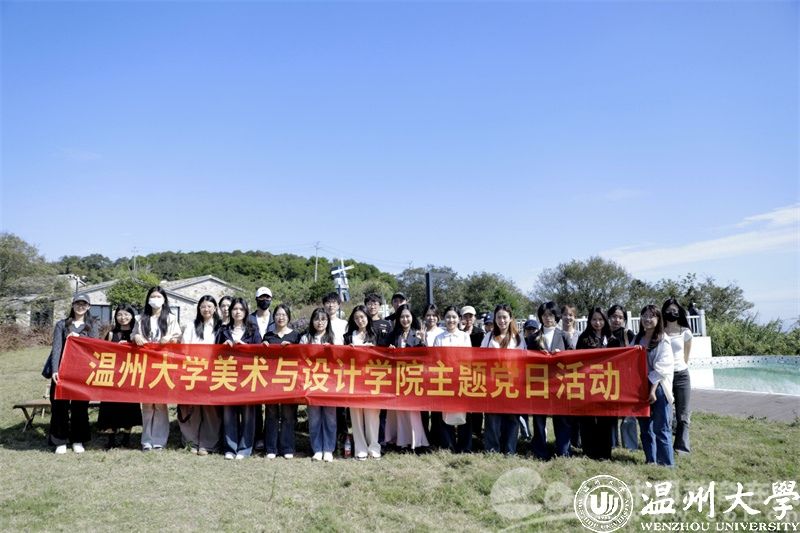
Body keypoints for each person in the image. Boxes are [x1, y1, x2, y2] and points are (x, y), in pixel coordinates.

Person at [132, 286, 182, 451]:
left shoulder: (171, 318)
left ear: (164, 300)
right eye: (152, 296)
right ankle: (146, 440)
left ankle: (159, 440)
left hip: (163, 364)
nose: (155, 299)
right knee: (147, 404)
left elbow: (178, 338)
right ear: (148, 299)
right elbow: (133, 334)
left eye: (159, 297)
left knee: (160, 404)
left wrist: (170, 338)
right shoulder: (141, 318)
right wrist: (136, 336)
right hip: (145, 364)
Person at [49, 293, 100, 454]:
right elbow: (56, 348)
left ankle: (78, 440)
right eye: (78, 303)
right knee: (59, 406)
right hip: (63, 370)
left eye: (84, 304)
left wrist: (80, 338)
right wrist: (55, 370)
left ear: (88, 307)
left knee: (80, 407)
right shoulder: (62, 324)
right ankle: (60, 440)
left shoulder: (92, 325)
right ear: (72, 305)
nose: (80, 306)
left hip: (82, 371)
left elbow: (95, 346)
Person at [526, 301, 574, 460]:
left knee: (562, 419)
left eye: (551, 315)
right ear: (540, 317)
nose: (548, 318)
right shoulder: (533, 337)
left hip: (559, 383)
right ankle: (540, 451)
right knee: (539, 419)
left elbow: (574, 358)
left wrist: (562, 355)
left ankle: (563, 451)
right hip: (539, 383)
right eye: (545, 315)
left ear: (556, 317)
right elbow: (526, 360)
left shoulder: (564, 335)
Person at [216, 297, 263, 459]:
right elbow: (214, 353)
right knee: (229, 413)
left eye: (241, 309)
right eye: (235, 309)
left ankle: (244, 448)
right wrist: (223, 347)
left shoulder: (253, 330)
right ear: (230, 311)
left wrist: (247, 348)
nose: (237, 312)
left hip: (247, 377)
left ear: (246, 312)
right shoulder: (223, 330)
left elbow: (261, 353)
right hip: (228, 376)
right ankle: (230, 448)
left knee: (248, 414)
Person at [179, 295, 223, 456]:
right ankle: (192, 441)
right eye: (203, 306)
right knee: (193, 408)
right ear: (199, 308)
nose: (206, 309)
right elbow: (184, 348)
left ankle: (208, 444)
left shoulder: (221, 327)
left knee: (211, 409)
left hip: (214, 372)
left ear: (215, 308)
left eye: (210, 306)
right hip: (194, 370)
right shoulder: (192, 325)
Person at [481, 304, 526, 455]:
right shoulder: (488, 337)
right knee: (492, 417)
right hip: (493, 383)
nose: (502, 320)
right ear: (495, 319)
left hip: (513, 384)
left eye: (505, 317)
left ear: (511, 318)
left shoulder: (518, 338)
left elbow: (525, 360)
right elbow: (480, 358)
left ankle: (510, 449)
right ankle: (492, 449)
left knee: (512, 418)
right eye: (499, 317)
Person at [384, 304, 429, 452]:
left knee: (412, 411)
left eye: (407, 316)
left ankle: (416, 441)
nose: (405, 319)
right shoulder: (392, 335)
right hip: (396, 378)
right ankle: (401, 441)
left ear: (412, 317)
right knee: (398, 411)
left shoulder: (418, 334)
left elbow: (426, 356)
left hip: (413, 378)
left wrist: (423, 341)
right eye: (402, 317)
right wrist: (389, 352)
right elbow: (383, 356)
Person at [634, 305, 675, 467]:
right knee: (645, 428)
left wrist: (652, 390)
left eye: (651, 316)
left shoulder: (663, 339)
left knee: (661, 428)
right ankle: (651, 459)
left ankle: (666, 464)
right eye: (644, 315)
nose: (647, 319)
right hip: (640, 388)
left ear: (658, 319)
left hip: (658, 388)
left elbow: (662, 368)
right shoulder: (637, 338)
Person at [97, 304, 142, 449]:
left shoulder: (137, 334)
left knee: (129, 406)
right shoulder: (111, 334)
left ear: (132, 316)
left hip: (131, 375)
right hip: (113, 375)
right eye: (119, 315)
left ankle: (126, 438)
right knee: (110, 406)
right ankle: (111, 439)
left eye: (126, 314)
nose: (123, 318)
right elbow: (103, 353)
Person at [575, 307, 616, 460]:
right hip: (588, 384)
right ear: (589, 321)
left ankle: (604, 452)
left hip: (607, 383)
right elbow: (578, 360)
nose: (597, 323)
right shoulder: (584, 338)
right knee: (587, 418)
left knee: (605, 418)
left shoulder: (612, 339)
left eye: (600, 319)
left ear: (605, 320)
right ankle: (589, 451)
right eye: (594, 319)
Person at [262, 304, 301, 459]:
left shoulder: (295, 336)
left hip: (289, 380)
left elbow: (301, 357)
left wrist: (292, 348)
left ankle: (287, 448)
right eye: (278, 314)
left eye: (284, 314)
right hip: (271, 380)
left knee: (288, 415)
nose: (281, 317)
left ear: (289, 317)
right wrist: (263, 347)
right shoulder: (268, 336)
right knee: (271, 414)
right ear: (274, 317)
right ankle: (271, 448)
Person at [300, 307, 339, 462]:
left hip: (330, 383)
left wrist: (332, 350)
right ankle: (317, 449)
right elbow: (300, 359)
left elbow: (340, 360)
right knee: (314, 417)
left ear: (328, 321)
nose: (320, 322)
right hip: (311, 383)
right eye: (317, 319)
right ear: (312, 321)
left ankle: (328, 449)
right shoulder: (306, 338)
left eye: (323, 319)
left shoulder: (334, 338)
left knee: (330, 417)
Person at [433, 306, 473, 453]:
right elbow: (436, 359)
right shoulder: (439, 338)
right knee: (445, 413)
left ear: (459, 319)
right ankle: (448, 445)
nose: (451, 320)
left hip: (461, 379)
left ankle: (465, 446)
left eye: (454, 317)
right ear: (444, 319)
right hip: (445, 380)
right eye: (448, 317)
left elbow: (468, 358)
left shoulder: (464, 337)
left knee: (464, 413)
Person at [343, 305, 382, 459]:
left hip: (372, 379)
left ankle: (374, 447)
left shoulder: (376, 334)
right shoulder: (348, 337)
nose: (360, 320)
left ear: (368, 317)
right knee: (356, 415)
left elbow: (384, 355)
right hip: (354, 379)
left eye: (362, 317)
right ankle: (360, 448)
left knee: (372, 415)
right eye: (357, 318)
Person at [662, 297, 693, 454]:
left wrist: (679, 368)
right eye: (668, 310)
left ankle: (681, 448)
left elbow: (686, 357)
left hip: (681, 375)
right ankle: (665, 444)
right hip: (664, 376)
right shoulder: (660, 332)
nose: (671, 313)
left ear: (679, 312)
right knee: (664, 413)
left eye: (674, 310)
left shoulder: (685, 332)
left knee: (683, 414)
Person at [608, 304, 638, 450]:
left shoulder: (629, 335)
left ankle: (630, 446)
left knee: (628, 413)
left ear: (624, 320)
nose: (617, 320)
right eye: (614, 317)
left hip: (626, 379)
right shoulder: (604, 334)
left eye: (620, 317)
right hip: (608, 378)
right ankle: (612, 443)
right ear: (609, 317)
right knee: (610, 413)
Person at [249, 286, 275, 454]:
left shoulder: (277, 317)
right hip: (253, 365)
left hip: (273, 366)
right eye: (261, 298)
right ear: (256, 299)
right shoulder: (249, 318)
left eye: (267, 298)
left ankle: (269, 438)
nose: (264, 300)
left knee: (271, 404)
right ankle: (257, 437)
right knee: (256, 404)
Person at [460, 305, 486, 445]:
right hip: (461, 373)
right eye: (465, 316)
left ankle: (477, 432)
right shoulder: (457, 332)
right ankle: (464, 432)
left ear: (475, 318)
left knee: (477, 406)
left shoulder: (480, 333)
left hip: (477, 372)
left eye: (471, 316)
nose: (468, 318)